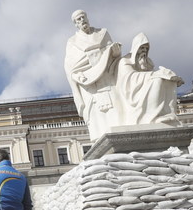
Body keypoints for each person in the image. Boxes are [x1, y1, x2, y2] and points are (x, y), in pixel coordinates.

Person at [64, 9, 122, 140]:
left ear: (87, 18)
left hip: (107, 77)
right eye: (78, 19)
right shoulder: (72, 42)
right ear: (75, 24)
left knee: (114, 106)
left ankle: (118, 134)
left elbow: (115, 57)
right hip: (87, 81)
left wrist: (115, 52)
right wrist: (78, 75)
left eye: (83, 17)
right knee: (95, 111)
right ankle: (99, 139)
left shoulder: (102, 33)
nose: (82, 20)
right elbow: (70, 67)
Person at [116, 32, 184, 126]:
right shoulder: (125, 61)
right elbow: (130, 78)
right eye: (142, 48)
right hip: (132, 91)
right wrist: (155, 75)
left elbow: (154, 73)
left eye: (146, 48)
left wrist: (168, 76)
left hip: (145, 86)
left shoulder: (148, 62)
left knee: (167, 81)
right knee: (157, 81)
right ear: (136, 47)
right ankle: (153, 117)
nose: (144, 50)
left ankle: (166, 114)